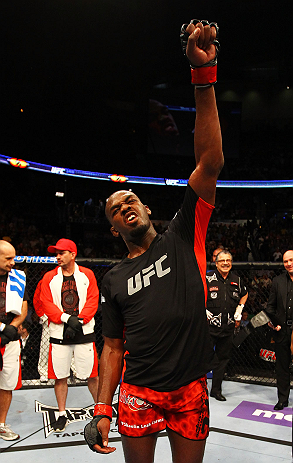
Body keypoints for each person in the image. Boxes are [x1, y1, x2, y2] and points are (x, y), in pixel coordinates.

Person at [85, 19, 224, 463]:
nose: (125, 206)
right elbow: (111, 346)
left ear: (147, 210)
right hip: (138, 393)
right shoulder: (113, 278)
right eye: (115, 209)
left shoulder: (184, 233)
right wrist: (102, 407)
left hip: (189, 389)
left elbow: (210, 160)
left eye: (131, 200)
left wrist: (203, 77)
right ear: (113, 228)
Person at [40, 238, 99, 432]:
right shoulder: (49, 277)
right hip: (59, 332)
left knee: (92, 375)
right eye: (55, 253)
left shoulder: (87, 274)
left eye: (61, 253)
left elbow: (93, 299)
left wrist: (78, 321)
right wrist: (67, 319)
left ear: (72, 254)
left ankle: (100, 412)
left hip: (83, 330)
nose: (57, 256)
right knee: (60, 375)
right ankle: (61, 413)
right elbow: (46, 302)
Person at [206, 250, 248, 401]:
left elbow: (245, 293)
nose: (225, 263)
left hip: (227, 328)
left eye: (228, 260)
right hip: (208, 328)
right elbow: (194, 292)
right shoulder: (207, 277)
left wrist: (239, 309)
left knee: (222, 360)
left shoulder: (236, 279)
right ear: (216, 263)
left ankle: (216, 390)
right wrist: (201, 309)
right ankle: (197, 390)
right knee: (202, 358)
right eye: (222, 260)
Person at [0, 240, 28, 440]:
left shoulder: (17, 278)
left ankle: (1, 424)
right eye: (8, 258)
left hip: (9, 338)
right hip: (5, 331)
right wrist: (3, 328)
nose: (13, 262)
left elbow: (23, 307)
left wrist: (11, 327)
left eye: (14, 257)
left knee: (7, 382)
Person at [265, 249, 293, 410]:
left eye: (291, 260)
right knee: (282, 367)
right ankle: (283, 399)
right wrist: (271, 321)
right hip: (282, 331)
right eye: (285, 261)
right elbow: (271, 307)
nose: (288, 264)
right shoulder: (277, 281)